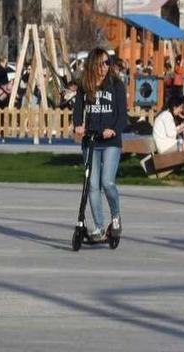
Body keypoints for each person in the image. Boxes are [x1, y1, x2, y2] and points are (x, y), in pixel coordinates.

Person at [71, 48, 128, 242]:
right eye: (102, 63)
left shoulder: (116, 84)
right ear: (93, 64)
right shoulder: (85, 84)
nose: (105, 67)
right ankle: (98, 227)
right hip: (92, 140)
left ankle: (116, 216)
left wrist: (113, 129)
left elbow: (123, 116)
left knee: (107, 182)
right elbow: (78, 109)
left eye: (107, 63)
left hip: (111, 141)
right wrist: (78, 126)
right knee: (92, 186)